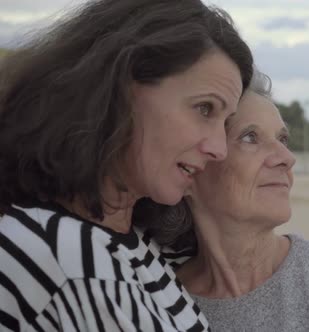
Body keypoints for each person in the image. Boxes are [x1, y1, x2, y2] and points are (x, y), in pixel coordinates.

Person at [0, 0, 253, 330]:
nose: (219, 148)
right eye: (205, 109)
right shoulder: (76, 260)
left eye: (226, 122)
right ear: (121, 91)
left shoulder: (128, 237)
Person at [134, 72, 309, 331]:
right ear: (190, 169)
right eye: (250, 137)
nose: (287, 158)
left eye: (282, 139)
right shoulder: (151, 304)